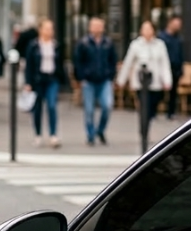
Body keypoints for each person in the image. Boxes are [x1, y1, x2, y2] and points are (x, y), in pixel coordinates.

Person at [117, 20, 172, 153]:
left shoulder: (160, 45)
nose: (147, 31)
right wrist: (122, 80)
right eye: (144, 29)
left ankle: (147, 123)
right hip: (141, 83)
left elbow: (164, 63)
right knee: (143, 109)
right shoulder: (136, 45)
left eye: (149, 29)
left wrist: (167, 80)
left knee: (152, 108)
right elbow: (128, 62)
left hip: (155, 83)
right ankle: (144, 133)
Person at [73, 17, 117, 146]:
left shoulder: (108, 43)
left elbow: (112, 60)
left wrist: (111, 75)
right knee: (89, 110)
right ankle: (90, 134)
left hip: (104, 79)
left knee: (107, 106)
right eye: (94, 25)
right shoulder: (83, 43)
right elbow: (78, 61)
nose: (97, 28)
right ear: (90, 28)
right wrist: (80, 78)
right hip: (89, 80)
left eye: (99, 25)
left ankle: (100, 130)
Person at [24, 18, 66, 148]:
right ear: (40, 30)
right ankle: (38, 135)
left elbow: (60, 63)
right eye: (47, 28)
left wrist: (62, 78)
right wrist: (28, 82)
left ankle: (53, 135)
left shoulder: (56, 45)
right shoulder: (33, 46)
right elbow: (29, 65)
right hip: (38, 79)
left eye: (51, 28)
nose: (50, 31)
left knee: (52, 105)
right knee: (37, 108)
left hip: (52, 78)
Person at [157, 15, 184, 120]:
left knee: (173, 92)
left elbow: (180, 54)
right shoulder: (162, 37)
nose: (178, 27)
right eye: (176, 24)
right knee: (160, 91)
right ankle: (154, 111)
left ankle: (170, 112)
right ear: (170, 23)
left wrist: (181, 69)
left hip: (175, 68)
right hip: (164, 67)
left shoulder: (179, 38)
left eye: (179, 25)